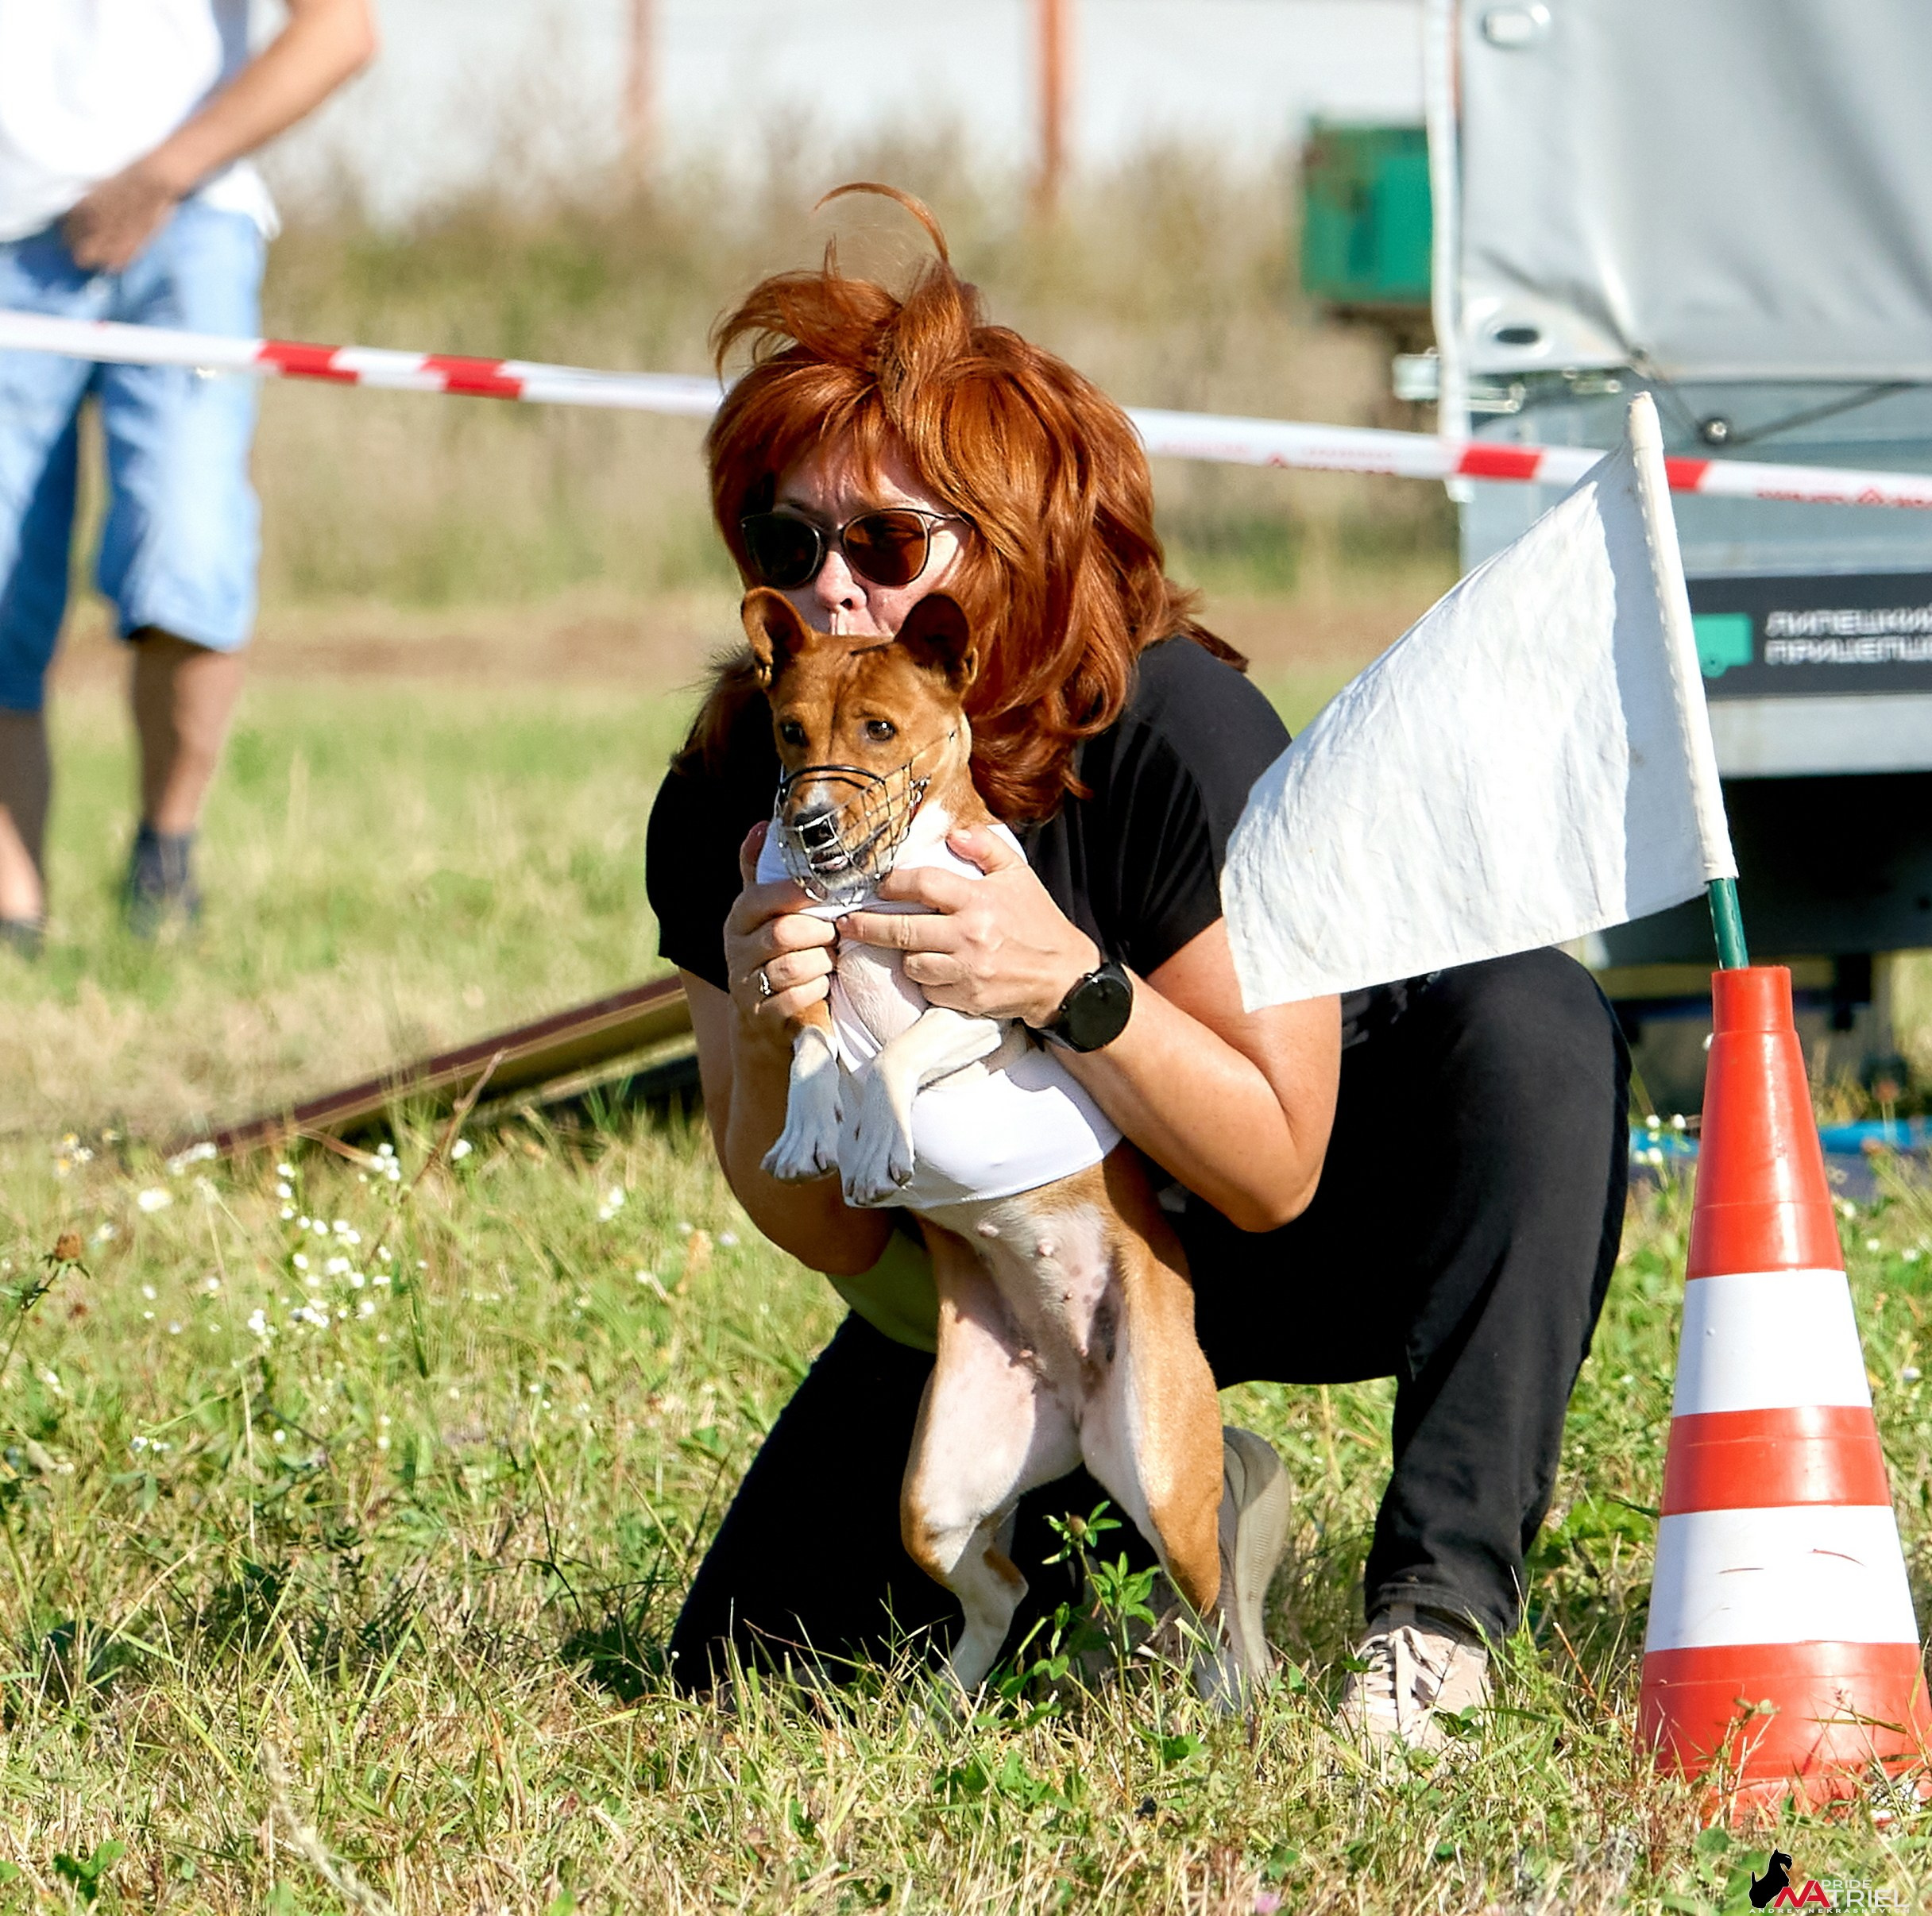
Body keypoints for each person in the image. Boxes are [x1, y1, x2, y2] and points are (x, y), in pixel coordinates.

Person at [644, 191, 1630, 1749]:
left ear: (1003, 552)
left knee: (1532, 1015)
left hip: (1309, 1228)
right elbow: (820, 1224)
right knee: (750, 1665)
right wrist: (773, 1029)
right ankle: (1170, 1509)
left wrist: (1066, 982)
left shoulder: (1172, 727)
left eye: (884, 542)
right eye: (787, 541)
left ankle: (1434, 1617)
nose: (833, 586)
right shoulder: (736, 795)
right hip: (1021, 1265)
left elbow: (1273, 1171)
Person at [0, 0, 377, 944]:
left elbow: (340, 30)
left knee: (187, 552)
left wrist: (162, 174)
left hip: (187, 223)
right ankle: (14, 931)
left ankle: (165, 861)